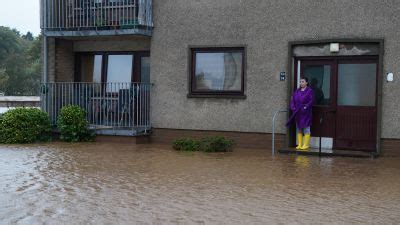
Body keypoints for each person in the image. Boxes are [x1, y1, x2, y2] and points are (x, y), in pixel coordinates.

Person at [286, 77, 314, 150]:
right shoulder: (297, 91)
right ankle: (300, 144)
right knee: (299, 128)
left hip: (305, 113)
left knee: (306, 128)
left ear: (306, 82)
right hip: (298, 112)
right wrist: (293, 107)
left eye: (303, 81)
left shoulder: (309, 91)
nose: (301, 83)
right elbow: (293, 101)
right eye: (300, 82)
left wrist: (306, 107)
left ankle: (306, 144)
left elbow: (311, 100)